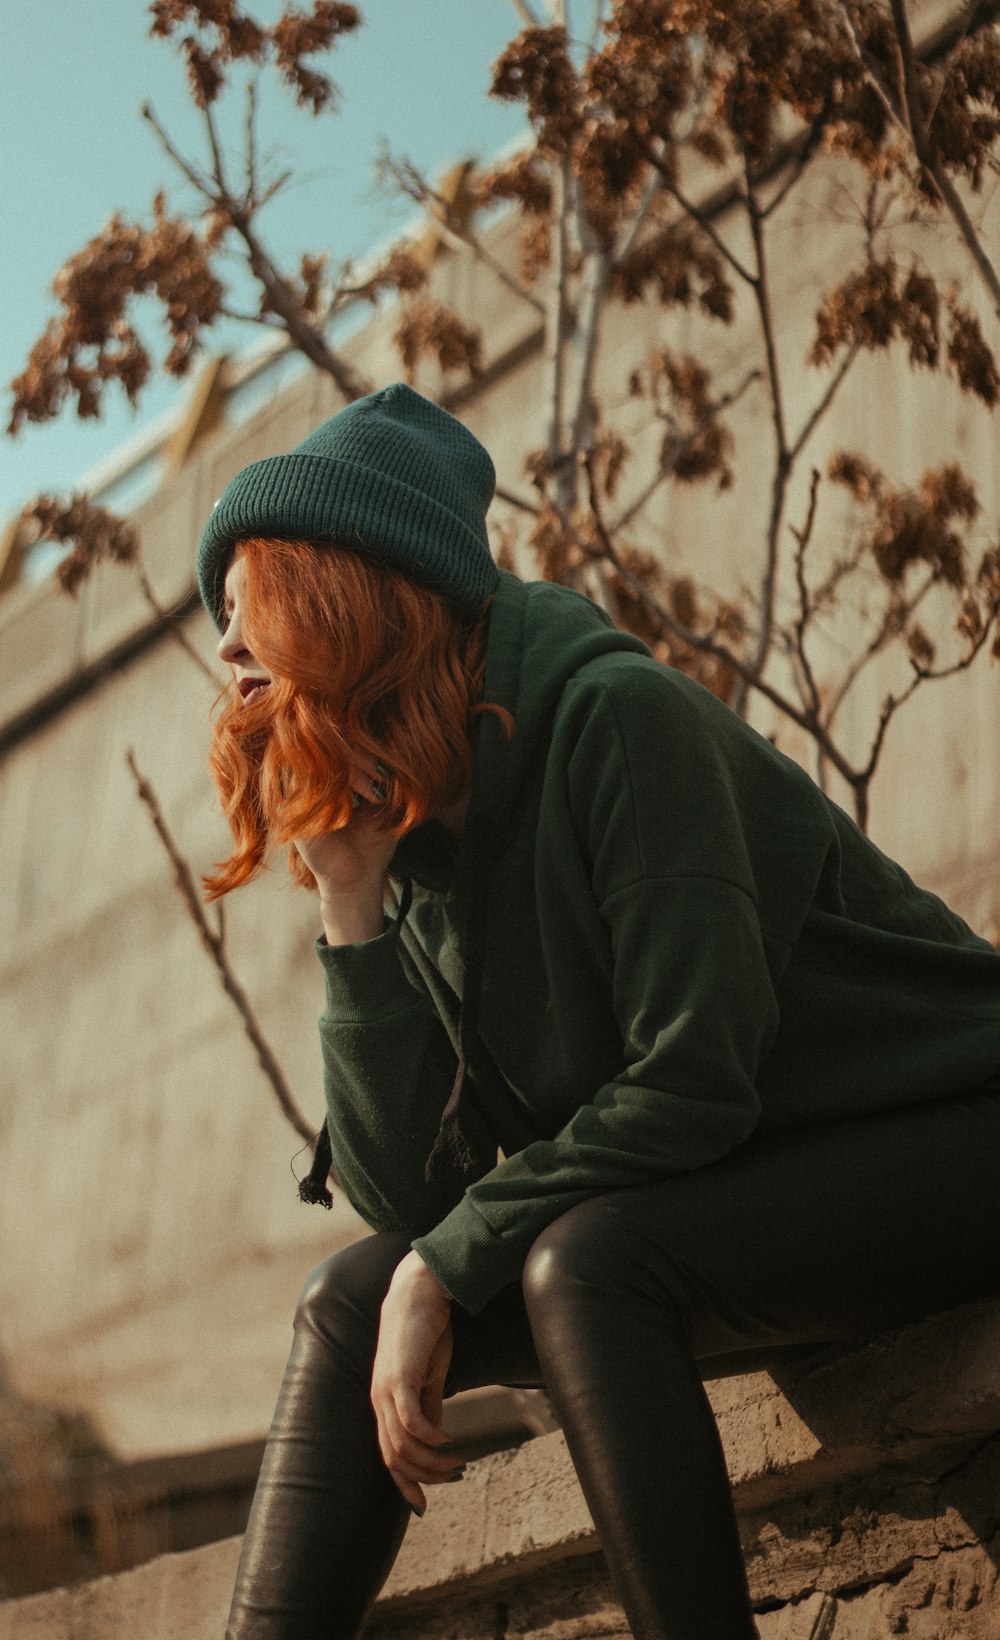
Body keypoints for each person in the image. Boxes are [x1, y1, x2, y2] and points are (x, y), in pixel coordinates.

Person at [197, 383, 1000, 1640]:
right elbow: (416, 1209)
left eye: (250, 619)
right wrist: (352, 901)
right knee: (350, 1294)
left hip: (953, 1137)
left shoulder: (617, 719)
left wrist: (447, 1259)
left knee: (584, 1263)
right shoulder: (414, 834)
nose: (229, 659)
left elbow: (691, 1081)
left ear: (344, 604)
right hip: (751, 1191)